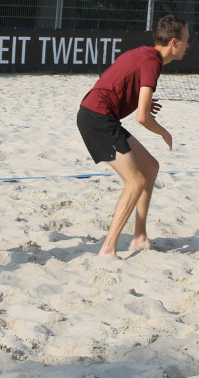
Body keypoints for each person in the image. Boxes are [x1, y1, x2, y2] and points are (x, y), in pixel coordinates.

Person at [77, 15, 190, 258]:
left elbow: (121, 83)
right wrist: (163, 132)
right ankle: (107, 248)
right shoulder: (153, 63)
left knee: (150, 167)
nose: (188, 45)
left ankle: (139, 237)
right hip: (96, 119)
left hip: (100, 115)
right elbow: (141, 117)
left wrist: (145, 101)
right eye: (186, 40)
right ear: (173, 42)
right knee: (136, 181)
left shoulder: (145, 54)